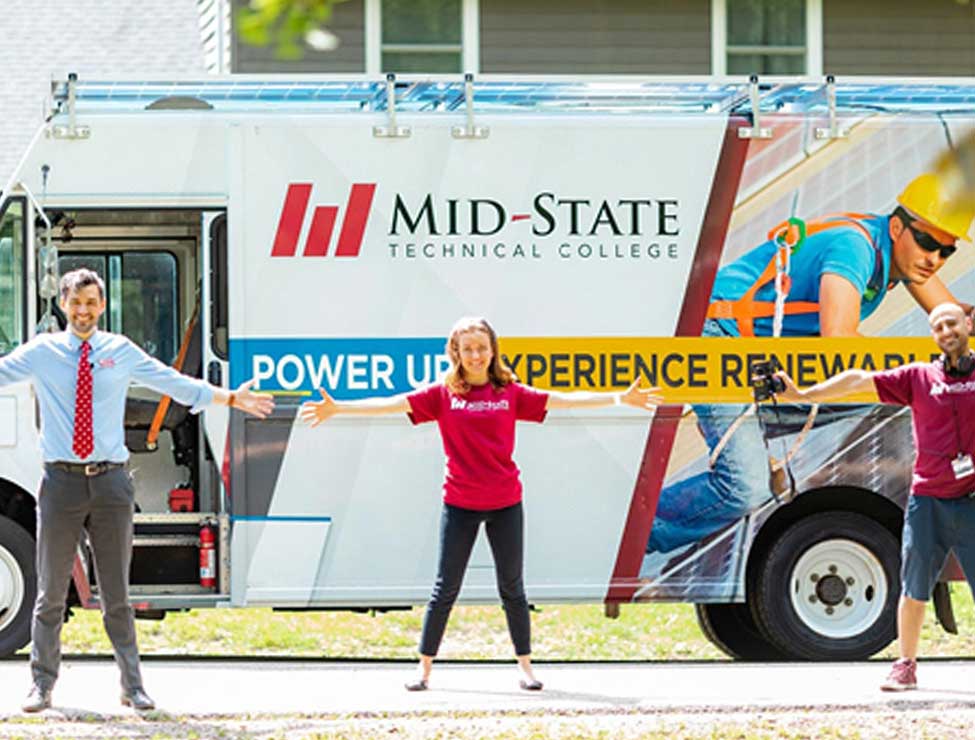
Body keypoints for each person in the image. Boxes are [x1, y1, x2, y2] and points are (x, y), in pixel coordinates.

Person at [299, 316, 661, 691]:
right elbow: (392, 404)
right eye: (468, 349)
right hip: (459, 503)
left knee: (513, 588)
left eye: (482, 348)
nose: (476, 355)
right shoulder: (443, 394)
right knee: (446, 587)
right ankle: (423, 669)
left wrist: (620, 397)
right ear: (456, 352)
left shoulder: (509, 392)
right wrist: (339, 408)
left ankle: (526, 668)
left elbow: (563, 398)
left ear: (493, 350)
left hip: (505, 502)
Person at [646, 172, 975, 559]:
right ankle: (632, 535)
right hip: (717, 338)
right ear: (898, 226)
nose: (934, 258)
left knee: (887, 393)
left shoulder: (901, 259)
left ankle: (751, 433)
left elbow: (954, 318)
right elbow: (838, 339)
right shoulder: (854, 246)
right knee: (745, 486)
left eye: (946, 251)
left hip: (756, 355)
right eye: (927, 242)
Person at [0, 269, 275, 713]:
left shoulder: (119, 351)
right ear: (64, 305)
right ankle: (42, 685)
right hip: (61, 484)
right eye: (76, 303)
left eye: (91, 303)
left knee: (116, 595)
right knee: (50, 592)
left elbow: (175, 385)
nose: (84, 311)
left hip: (110, 483)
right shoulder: (43, 353)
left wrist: (228, 398)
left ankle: (133, 686)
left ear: (102, 306)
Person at [774, 301, 975, 691]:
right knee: (913, 585)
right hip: (927, 499)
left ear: (968, 324)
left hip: (971, 499)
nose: (946, 332)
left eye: (951, 324)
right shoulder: (919, 377)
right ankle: (905, 665)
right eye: (937, 327)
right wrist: (803, 392)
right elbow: (856, 379)